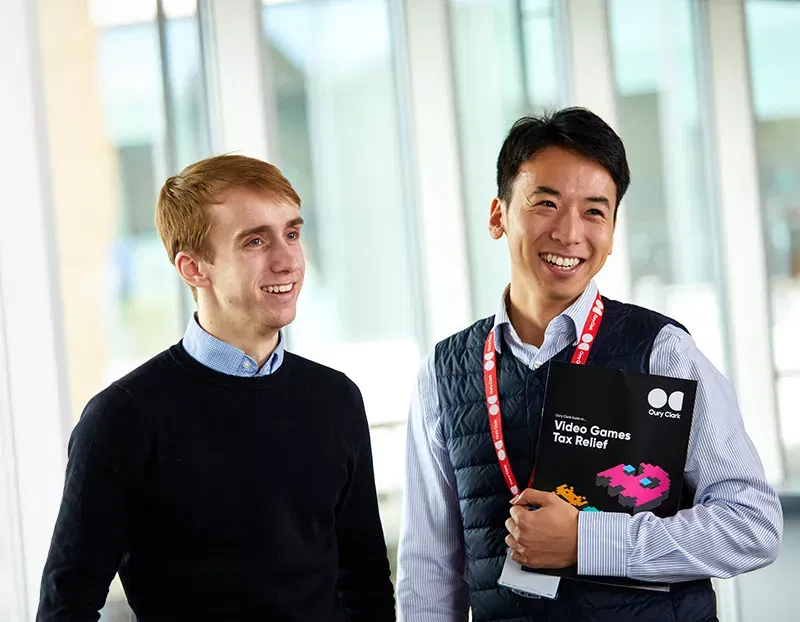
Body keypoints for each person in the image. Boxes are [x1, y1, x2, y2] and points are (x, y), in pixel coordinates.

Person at [396, 108, 782, 622]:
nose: (570, 233)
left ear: (613, 231)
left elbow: (752, 526)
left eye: (594, 212)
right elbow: (429, 570)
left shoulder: (661, 351)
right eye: (546, 204)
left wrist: (588, 540)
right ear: (498, 216)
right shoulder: (444, 373)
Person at [37, 155, 395, 621]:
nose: (287, 260)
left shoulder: (336, 399)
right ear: (193, 268)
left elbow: (365, 582)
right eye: (254, 242)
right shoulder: (123, 417)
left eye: (291, 233)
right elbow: (67, 604)